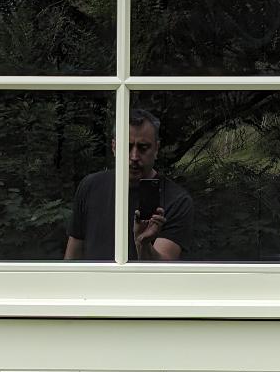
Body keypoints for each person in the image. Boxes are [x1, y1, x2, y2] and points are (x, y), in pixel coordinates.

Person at [64, 108, 193, 261]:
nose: (134, 156)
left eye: (143, 147)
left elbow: (162, 272)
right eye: (127, 146)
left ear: (156, 149)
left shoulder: (176, 200)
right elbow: (72, 259)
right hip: (95, 284)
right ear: (114, 147)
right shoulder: (90, 187)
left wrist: (143, 243)